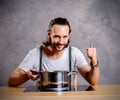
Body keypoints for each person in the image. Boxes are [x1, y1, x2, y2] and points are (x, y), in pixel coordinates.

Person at [8, 17, 99, 87]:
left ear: (69, 36)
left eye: (65, 37)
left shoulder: (74, 53)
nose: (61, 42)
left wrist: (94, 61)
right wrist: (27, 75)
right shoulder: (35, 54)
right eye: (57, 36)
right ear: (49, 34)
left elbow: (93, 81)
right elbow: (11, 81)